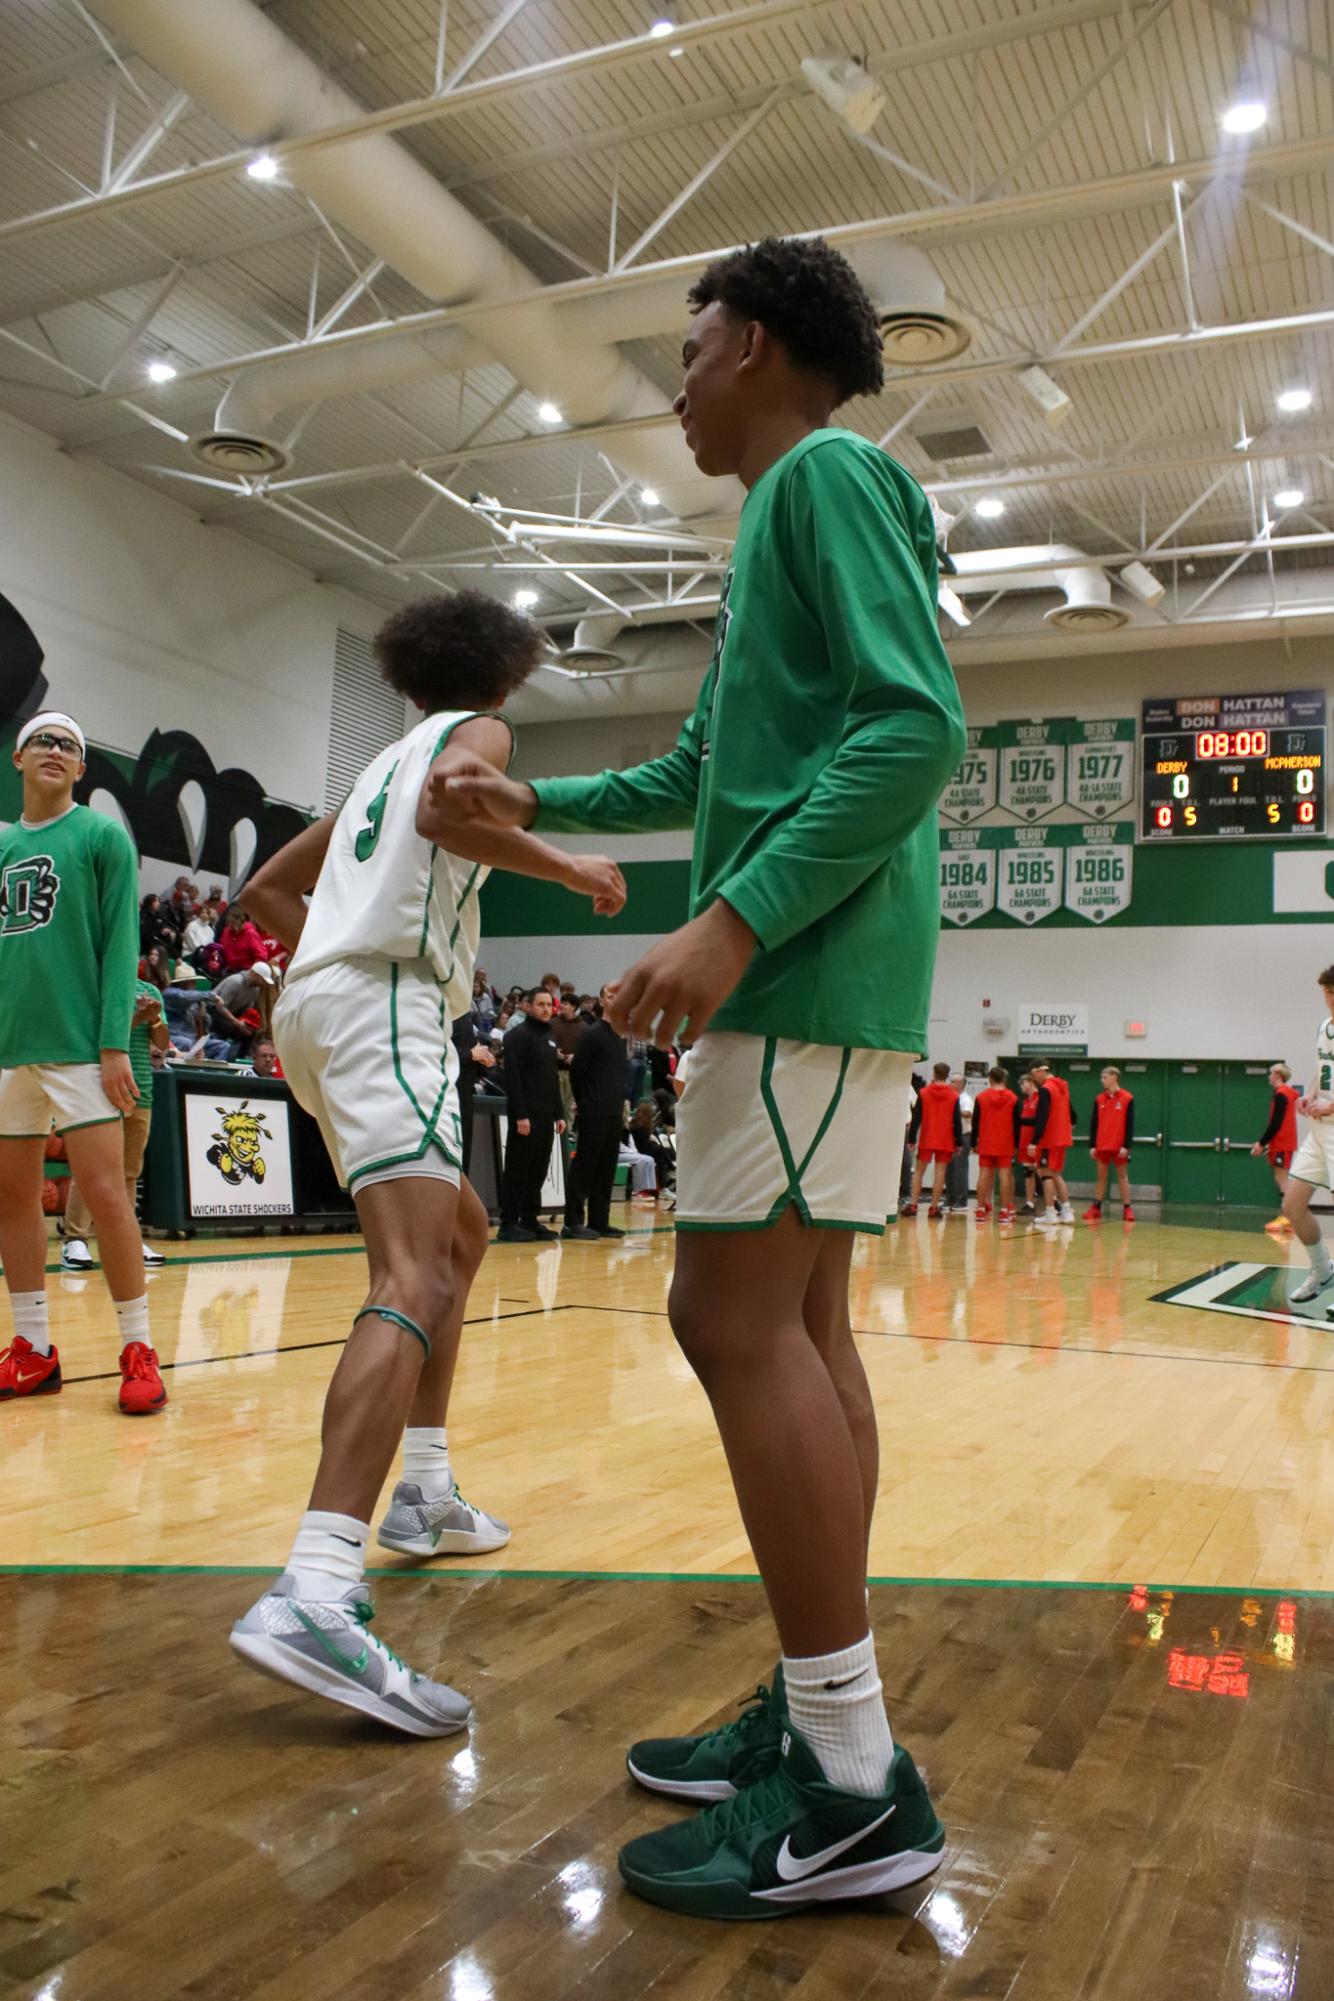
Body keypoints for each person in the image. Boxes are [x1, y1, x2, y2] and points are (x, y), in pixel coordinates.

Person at [441, 235, 963, 1917]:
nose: (672, 388)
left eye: (682, 354)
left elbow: (910, 729)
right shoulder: (791, 516)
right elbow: (698, 764)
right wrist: (538, 816)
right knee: (796, 1330)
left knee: (731, 1324)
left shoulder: (816, 479)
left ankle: (853, 1778)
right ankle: (825, 1717)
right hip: (832, 977)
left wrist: (729, 926)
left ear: (742, 340)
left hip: (804, 969)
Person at [227, 591, 625, 1736]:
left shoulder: (376, 770)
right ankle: (315, 1587)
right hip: (383, 1000)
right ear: (503, 680)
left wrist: (329, 961)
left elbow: (264, 893)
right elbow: (458, 821)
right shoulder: (481, 736)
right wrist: (572, 867)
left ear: (407, 681)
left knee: (462, 1234)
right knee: (408, 1274)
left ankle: (426, 1490)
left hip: (321, 1006)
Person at [0, 712, 166, 1414]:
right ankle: (33, 1348)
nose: (56, 751)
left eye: (69, 745)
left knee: (105, 1197)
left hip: (79, 1050)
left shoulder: (101, 837)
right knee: (12, 1199)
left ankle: (139, 1347)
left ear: (81, 769)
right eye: (44, 740)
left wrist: (109, 1046)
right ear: (17, 757)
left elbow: (119, 941)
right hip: (10, 1051)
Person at [61, 976, 171, 1273]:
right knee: (91, 1167)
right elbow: (102, 1035)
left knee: (129, 1172)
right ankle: (75, 1239)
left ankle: (129, 1238)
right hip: (104, 1088)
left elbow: (162, 1044)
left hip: (142, 1090)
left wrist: (155, 1019)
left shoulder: (149, 991)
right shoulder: (97, 984)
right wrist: (139, 1017)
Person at [1280, 968, 1334, 1303]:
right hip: (1319, 1132)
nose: (1330, 998)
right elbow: (1322, 1073)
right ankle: (1322, 1270)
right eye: (1327, 991)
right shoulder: (1324, 1029)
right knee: (1293, 1204)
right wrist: (1312, 1095)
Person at [496, 987, 566, 1243]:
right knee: (518, 1170)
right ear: (528, 1006)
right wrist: (520, 1115)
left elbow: (552, 1078)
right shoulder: (517, 1036)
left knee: (538, 1169)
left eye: (549, 1004)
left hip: (546, 1115)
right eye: (541, 1004)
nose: (546, 1009)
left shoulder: (549, 1037)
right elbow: (513, 1078)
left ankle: (530, 1219)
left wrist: (559, 1113)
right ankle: (509, 1223)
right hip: (526, 1115)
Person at [564, 988, 627, 1241]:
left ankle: (599, 1221)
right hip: (594, 1110)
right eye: (611, 995)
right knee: (584, 1167)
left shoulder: (620, 1037)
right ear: (602, 1000)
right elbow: (577, 1073)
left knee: (606, 1168)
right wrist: (585, 1102)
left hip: (613, 1111)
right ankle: (573, 1222)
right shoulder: (591, 1035)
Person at [903, 1061, 961, 1218]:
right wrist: (959, 1141)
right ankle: (934, 1207)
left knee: (919, 1172)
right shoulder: (953, 1095)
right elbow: (956, 1120)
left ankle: (913, 1204)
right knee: (940, 1173)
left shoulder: (924, 1092)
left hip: (928, 1137)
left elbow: (917, 1117)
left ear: (934, 1074)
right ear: (948, 1076)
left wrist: (912, 1138)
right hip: (945, 1138)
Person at [1084, 1067, 1136, 1223]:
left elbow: (1130, 1124)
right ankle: (1096, 1207)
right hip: (1102, 1144)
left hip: (1119, 1146)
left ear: (1114, 1077)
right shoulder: (1099, 1099)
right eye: (1102, 1077)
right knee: (1101, 1177)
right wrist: (1092, 1145)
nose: (1102, 1080)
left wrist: (1126, 1145)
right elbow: (1094, 1123)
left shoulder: (1127, 1098)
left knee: (1122, 1178)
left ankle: (1127, 1208)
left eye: (1105, 1077)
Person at [1254, 1063, 1300, 1234]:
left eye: (1271, 1073)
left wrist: (1261, 1143)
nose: (1269, 1076)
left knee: (1282, 1179)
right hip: (1281, 1142)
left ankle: (1287, 1217)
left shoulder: (1282, 1094)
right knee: (1281, 1177)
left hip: (1283, 1142)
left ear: (1278, 1074)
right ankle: (1287, 1218)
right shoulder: (1286, 1093)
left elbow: (1276, 1123)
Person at [971, 1065, 1019, 1222]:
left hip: (986, 1141)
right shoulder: (1013, 1098)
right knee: (1004, 1176)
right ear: (1004, 1079)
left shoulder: (981, 1097)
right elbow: (1016, 1123)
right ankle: (1005, 1210)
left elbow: (975, 1122)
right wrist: (1017, 1144)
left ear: (990, 1079)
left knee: (983, 1174)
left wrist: (973, 1142)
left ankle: (980, 1208)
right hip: (1005, 1142)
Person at [1031, 1061, 1076, 1225]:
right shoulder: (1062, 1087)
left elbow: (1042, 1116)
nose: (1034, 1078)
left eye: (1034, 1074)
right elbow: (1073, 1114)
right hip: (1062, 1137)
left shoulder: (1045, 1089)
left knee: (1046, 1174)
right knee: (1056, 1173)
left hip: (1049, 1139)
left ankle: (1050, 1212)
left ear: (1041, 1071)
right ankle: (1066, 1211)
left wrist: (1034, 1141)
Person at [550, 992, 585, 1124]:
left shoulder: (583, 1027)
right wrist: (554, 1052)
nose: (562, 1006)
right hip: (555, 1070)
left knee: (570, 1106)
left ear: (573, 1007)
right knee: (555, 1103)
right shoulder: (552, 1023)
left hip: (573, 1072)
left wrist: (576, 1057)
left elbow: (586, 1050)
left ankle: (568, 1131)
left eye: (565, 1003)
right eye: (562, 1002)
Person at [217, 903, 270, 974]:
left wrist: (252, 971)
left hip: (247, 970)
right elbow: (223, 950)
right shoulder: (227, 931)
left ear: (241, 921)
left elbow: (262, 956)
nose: (232, 927)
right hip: (230, 969)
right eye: (230, 924)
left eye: (234, 923)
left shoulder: (250, 933)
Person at [1016, 1072, 1040, 1213]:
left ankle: (1055, 1202)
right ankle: (1030, 1203)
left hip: (1036, 1142)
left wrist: (1035, 1141)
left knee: (1043, 1172)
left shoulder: (1040, 1099)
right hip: (1025, 1142)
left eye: (1023, 1083)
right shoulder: (1026, 1101)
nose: (1021, 1087)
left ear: (1031, 1082)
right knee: (1028, 1171)